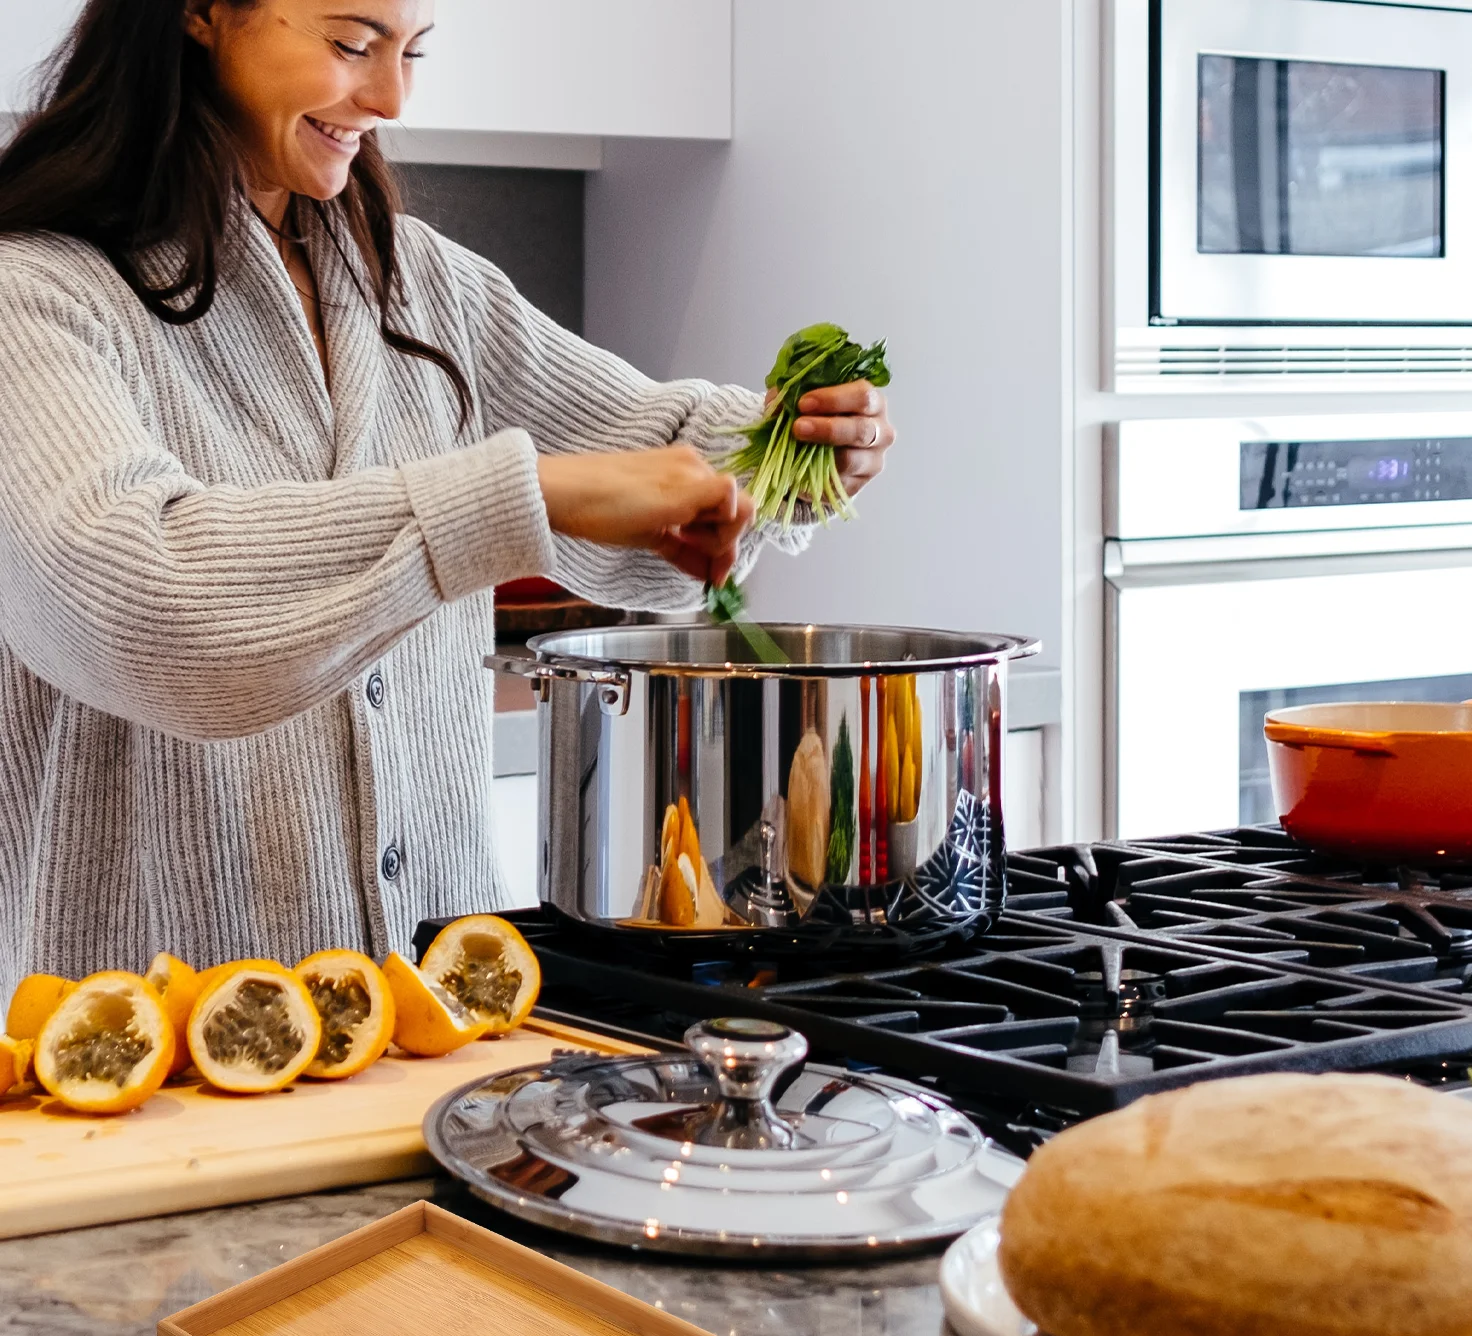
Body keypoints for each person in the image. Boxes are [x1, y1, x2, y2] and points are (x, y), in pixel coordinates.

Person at [0, 0, 895, 1000]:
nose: (388, 96)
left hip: (448, 1020)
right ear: (202, 13)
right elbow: (136, 597)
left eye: (411, 52)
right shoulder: (36, 295)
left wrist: (789, 452)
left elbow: (649, 453)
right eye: (351, 44)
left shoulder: (417, 283)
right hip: (149, 1047)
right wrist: (518, 496)